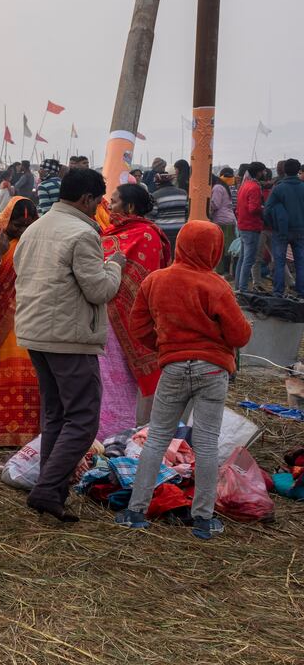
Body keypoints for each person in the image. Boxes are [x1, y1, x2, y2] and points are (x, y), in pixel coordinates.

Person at [115, 221, 252, 538]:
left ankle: (136, 511)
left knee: (158, 438)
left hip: (173, 368)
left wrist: (167, 349)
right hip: (213, 371)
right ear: (213, 249)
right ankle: (203, 519)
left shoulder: (156, 280)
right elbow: (239, 335)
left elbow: (138, 328)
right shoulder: (216, 286)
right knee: (205, 445)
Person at [12, 168, 123, 522]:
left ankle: (51, 492)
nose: (100, 208)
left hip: (35, 333)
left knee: (56, 415)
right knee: (83, 419)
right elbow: (99, 290)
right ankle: (47, 489)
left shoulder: (36, 228)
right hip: (69, 337)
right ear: (87, 199)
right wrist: (115, 266)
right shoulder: (82, 234)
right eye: (98, 201)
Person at [97, 183, 171, 433]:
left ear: (129, 206)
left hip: (129, 322)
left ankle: (123, 430)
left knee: (124, 379)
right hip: (100, 315)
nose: (110, 206)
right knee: (104, 377)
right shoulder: (109, 233)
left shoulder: (148, 235)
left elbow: (147, 282)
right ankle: (101, 431)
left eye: (115, 201)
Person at [0, 197, 42, 448]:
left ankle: (29, 434)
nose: (23, 230)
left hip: (31, 321)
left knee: (32, 378)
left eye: (29, 224)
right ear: (6, 222)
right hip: (2, 326)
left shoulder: (39, 244)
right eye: (18, 224)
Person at [263, 158, 304, 298]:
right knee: (300, 262)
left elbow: (267, 210)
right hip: (300, 230)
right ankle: (301, 291)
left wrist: (273, 224)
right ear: (298, 171)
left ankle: (278, 292)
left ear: (284, 170)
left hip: (281, 230)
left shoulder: (279, 188)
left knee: (279, 262)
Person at [234, 161, 267, 291]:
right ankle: (243, 289)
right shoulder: (254, 187)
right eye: (263, 171)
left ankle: (238, 286)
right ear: (258, 172)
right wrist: (263, 209)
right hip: (251, 226)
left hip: (242, 225)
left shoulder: (244, 185)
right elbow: (253, 209)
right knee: (249, 259)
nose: (264, 173)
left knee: (242, 259)